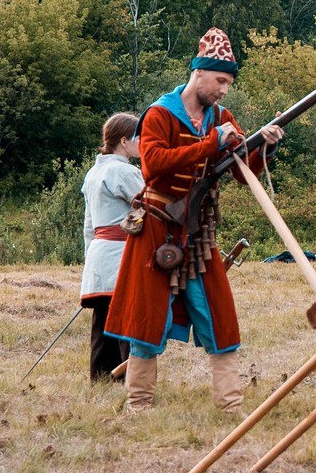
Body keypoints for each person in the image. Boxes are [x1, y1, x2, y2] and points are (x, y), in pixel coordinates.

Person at [104, 28, 283, 414]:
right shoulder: (160, 113)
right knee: (147, 320)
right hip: (156, 227)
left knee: (219, 314)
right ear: (198, 74)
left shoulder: (221, 117)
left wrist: (262, 145)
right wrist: (211, 142)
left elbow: (238, 171)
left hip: (198, 232)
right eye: (220, 80)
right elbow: (153, 166)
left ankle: (230, 407)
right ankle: (139, 405)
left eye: (228, 83)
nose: (224, 90)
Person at [79, 112, 142, 382]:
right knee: (128, 322)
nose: (144, 143)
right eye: (140, 137)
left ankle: (102, 380)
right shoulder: (124, 171)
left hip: (98, 255)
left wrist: (89, 259)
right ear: (124, 141)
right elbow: (152, 208)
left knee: (103, 324)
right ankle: (130, 381)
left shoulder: (94, 173)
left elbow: (88, 227)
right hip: (120, 255)